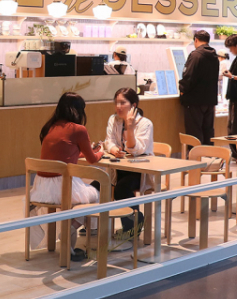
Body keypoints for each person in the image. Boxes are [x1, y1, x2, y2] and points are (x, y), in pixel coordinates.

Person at [33, 92, 104, 262]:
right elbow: (92, 160)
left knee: (84, 195)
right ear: (78, 110)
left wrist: (84, 152)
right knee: (96, 195)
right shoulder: (78, 129)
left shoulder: (50, 127)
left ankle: (68, 234)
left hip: (41, 189)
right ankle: (72, 229)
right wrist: (101, 151)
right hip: (61, 186)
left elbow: (64, 153)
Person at [103, 87, 155, 239]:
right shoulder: (114, 119)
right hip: (118, 168)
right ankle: (93, 225)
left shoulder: (145, 123)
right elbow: (109, 141)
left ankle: (132, 227)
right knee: (98, 185)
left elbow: (136, 150)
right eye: (116, 103)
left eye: (122, 103)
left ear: (133, 105)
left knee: (121, 188)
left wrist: (130, 127)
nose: (118, 106)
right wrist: (114, 150)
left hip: (139, 170)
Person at [178, 30, 219, 144]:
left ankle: (195, 155)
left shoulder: (195, 55)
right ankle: (208, 154)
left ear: (196, 40)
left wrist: (182, 90)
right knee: (208, 131)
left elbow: (188, 76)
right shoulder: (214, 56)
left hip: (195, 101)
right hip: (210, 100)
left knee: (194, 133)